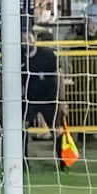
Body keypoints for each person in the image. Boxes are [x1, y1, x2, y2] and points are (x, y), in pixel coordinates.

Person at [22, 32, 64, 166]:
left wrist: (62, 100)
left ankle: (62, 159)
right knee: (22, 127)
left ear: (34, 39)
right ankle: (23, 160)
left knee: (56, 128)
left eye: (28, 38)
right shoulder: (17, 58)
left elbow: (59, 77)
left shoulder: (48, 56)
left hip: (49, 97)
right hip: (30, 98)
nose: (26, 42)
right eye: (23, 40)